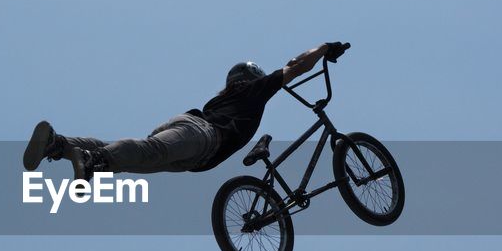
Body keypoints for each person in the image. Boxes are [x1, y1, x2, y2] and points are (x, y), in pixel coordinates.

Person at [22, 42, 348, 179]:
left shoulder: (230, 97)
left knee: (143, 154)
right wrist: (323, 49)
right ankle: (94, 160)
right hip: (202, 135)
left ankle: (59, 144)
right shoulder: (253, 91)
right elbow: (294, 66)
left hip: (196, 153)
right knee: (144, 151)